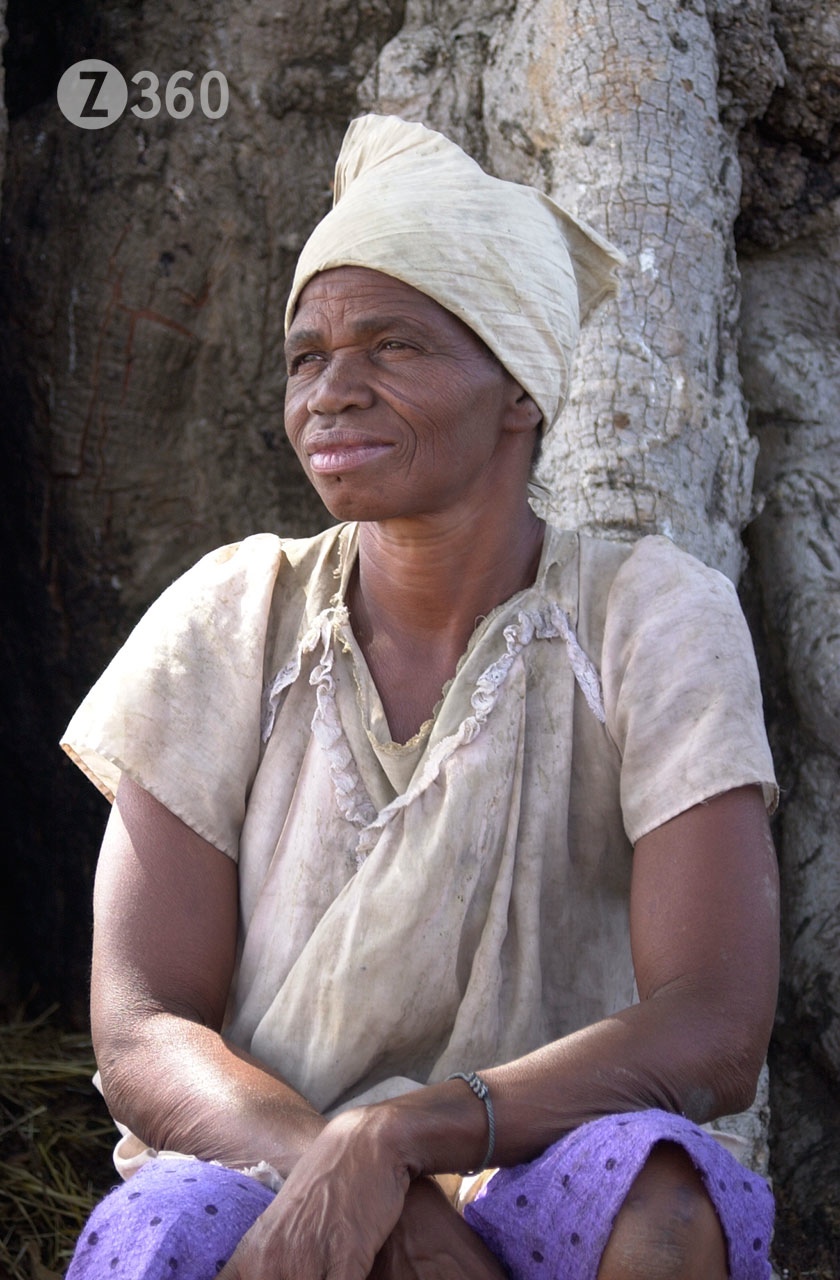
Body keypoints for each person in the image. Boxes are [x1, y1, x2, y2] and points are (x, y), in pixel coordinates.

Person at [62, 114, 779, 1280]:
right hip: (262, 1161)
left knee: (658, 1203)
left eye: (392, 345)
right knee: (158, 1236)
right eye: (307, 354)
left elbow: (715, 1024)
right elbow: (141, 1025)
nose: (332, 391)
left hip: (536, 1150)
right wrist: (341, 1168)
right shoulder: (232, 617)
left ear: (519, 392)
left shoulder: (649, 615)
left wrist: (406, 1133)